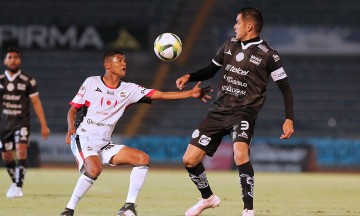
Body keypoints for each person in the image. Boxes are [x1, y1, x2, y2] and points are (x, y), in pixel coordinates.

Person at [60, 50, 212, 216]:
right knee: (95, 169)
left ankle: (128, 207)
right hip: (84, 137)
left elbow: (159, 94)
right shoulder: (91, 82)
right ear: (107, 65)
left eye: (124, 61)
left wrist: (189, 93)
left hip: (104, 143)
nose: (124, 64)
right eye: (119, 61)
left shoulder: (129, 89)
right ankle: (68, 210)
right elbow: (73, 109)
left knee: (142, 159)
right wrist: (70, 128)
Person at [175, 7, 294, 216]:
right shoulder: (229, 44)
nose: (234, 26)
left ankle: (248, 210)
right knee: (189, 160)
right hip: (218, 110)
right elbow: (211, 70)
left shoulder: (269, 55)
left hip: (244, 112)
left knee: (240, 154)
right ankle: (208, 198)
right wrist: (189, 76)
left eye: (237, 22)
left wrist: (289, 119)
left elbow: (285, 88)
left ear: (249, 26)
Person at [0, 47, 50, 198]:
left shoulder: (28, 80)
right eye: (10, 57)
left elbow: (36, 102)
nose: (13, 60)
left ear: (19, 60)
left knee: (21, 151)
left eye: (16, 57)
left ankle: (18, 188)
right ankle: (15, 182)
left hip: (22, 122)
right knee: (7, 157)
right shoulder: (0, 80)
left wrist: (43, 125)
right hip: (3, 125)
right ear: (5, 60)